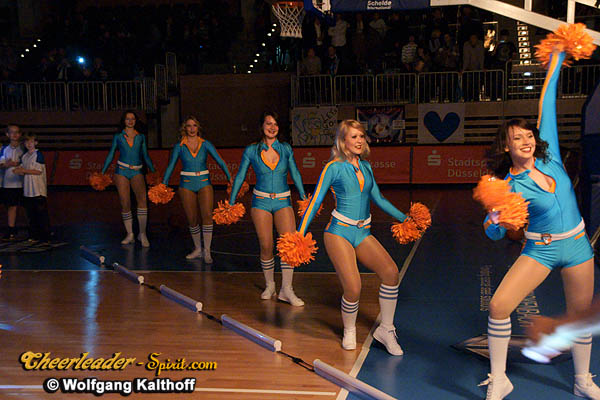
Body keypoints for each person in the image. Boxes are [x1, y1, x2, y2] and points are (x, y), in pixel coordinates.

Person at [480, 49, 598, 399]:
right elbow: (493, 231)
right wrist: (496, 218)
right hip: (540, 249)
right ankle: (499, 378)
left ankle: (583, 380)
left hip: (577, 245)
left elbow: (546, 101)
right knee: (499, 306)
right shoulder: (509, 186)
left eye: (528, 135)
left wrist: (559, 53)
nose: (526, 140)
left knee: (579, 315)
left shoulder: (551, 157)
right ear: (506, 147)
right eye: (517, 138)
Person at [296, 120, 408, 355]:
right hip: (339, 232)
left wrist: (405, 218)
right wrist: (299, 235)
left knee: (391, 272)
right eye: (353, 136)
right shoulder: (333, 167)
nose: (359, 141)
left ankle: (386, 330)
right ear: (342, 140)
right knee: (354, 287)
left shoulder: (366, 167)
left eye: (361, 136)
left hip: (363, 232)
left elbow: (379, 199)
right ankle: (349, 330)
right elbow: (315, 201)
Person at [229, 111, 306, 306]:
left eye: (275, 124)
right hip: (261, 202)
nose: (272, 128)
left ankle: (286, 290)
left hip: (283, 200)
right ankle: (270, 285)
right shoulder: (252, 150)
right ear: (262, 126)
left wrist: (304, 197)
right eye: (268, 124)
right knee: (266, 246)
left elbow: (295, 173)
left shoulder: (286, 148)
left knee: (289, 244)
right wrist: (231, 200)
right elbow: (241, 175)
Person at [163, 116, 232, 262]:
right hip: (186, 183)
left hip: (204, 182)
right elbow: (171, 165)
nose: (192, 128)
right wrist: (164, 183)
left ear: (198, 128)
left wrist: (229, 178)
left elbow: (220, 161)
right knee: (192, 218)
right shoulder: (179, 146)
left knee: (207, 215)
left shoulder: (206, 144)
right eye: (189, 126)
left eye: (194, 125)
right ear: (185, 128)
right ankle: (198, 249)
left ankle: (207, 251)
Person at [101, 111, 155, 247]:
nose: (130, 121)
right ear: (124, 121)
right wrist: (102, 172)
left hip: (137, 170)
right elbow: (111, 154)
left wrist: (154, 172)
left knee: (142, 201)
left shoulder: (141, 137)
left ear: (136, 121)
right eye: (127, 119)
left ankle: (142, 233)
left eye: (133, 119)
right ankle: (130, 234)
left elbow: (146, 156)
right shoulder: (118, 137)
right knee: (125, 202)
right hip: (122, 171)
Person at [13, 133, 50, 243]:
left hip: (38, 189)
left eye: (31, 141)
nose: (29, 144)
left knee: (41, 214)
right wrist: (18, 170)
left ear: (35, 143)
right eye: (27, 142)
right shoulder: (25, 156)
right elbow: (22, 169)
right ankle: (34, 234)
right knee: (31, 214)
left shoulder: (38, 154)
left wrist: (23, 170)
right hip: (28, 190)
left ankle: (45, 235)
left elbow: (38, 171)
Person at [0, 124, 24, 240]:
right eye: (12, 132)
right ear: (7, 134)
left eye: (16, 132)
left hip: (23, 183)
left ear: (19, 134)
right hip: (8, 183)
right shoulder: (4, 149)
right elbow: (1, 164)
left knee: (29, 207)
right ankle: (11, 229)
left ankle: (36, 229)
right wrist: (7, 164)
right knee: (11, 206)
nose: (14, 135)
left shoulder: (24, 148)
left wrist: (19, 164)